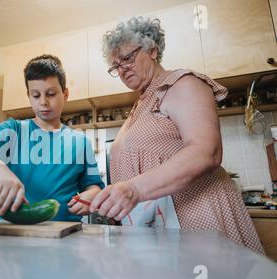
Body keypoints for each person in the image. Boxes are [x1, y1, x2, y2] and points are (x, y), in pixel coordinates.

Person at [88, 17, 264, 253]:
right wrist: (109, 199)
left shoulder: (181, 84)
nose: (122, 69)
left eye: (127, 58)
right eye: (115, 65)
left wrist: (135, 189)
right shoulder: (141, 104)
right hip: (160, 227)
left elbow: (206, 151)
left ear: (152, 49)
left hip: (196, 216)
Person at [0, 54, 104, 221]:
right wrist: (0, 170)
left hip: (66, 233)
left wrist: (92, 196)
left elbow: (94, 187)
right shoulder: (13, 130)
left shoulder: (81, 142)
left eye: (51, 94)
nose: (43, 102)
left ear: (65, 94)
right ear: (28, 95)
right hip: (15, 232)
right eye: (36, 95)